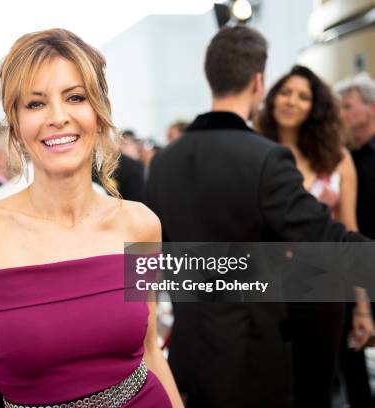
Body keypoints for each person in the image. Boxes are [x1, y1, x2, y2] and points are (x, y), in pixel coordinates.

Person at [0, 28, 183, 408]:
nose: (58, 117)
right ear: (15, 124)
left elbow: (150, 350)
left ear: (98, 112)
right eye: (35, 104)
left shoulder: (140, 224)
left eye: (75, 98)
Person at [146, 26, 369, 408]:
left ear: (210, 76)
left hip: (188, 354)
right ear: (258, 81)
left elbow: (151, 262)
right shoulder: (266, 158)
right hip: (252, 360)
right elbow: (327, 241)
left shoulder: (164, 161)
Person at [257, 65, 373, 408]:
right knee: (271, 390)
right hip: (268, 294)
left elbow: (349, 232)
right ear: (272, 97)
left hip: (324, 293)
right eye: (286, 92)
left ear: (315, 107)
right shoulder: (255, 153)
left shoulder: (337, 159)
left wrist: (362, 309)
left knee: (316, 391)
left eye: (303, 96)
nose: (292, 101)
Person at [335, 72, 375, 407]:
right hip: (353, 267)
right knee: (353, 350)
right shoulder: (341, 157)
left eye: (348, 107)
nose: (343, 115)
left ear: (370, 107)